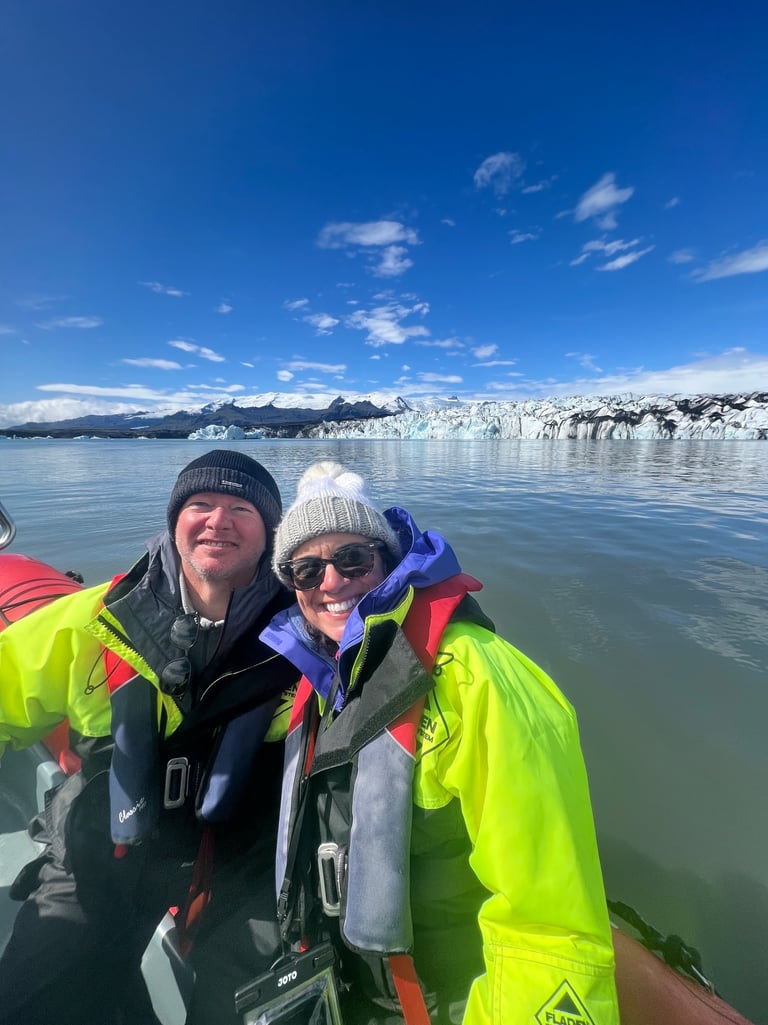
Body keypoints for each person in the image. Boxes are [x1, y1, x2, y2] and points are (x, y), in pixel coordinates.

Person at [257, 460, 620, 1024]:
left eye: (352, 559)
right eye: (307, 570)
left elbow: (547, 917)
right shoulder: (325, 676)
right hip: (352, 985)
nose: (330, 583)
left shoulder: (478, 677)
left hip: (446, 1002)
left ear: (387, 560)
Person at [0, 450, 299, 1025]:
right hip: (101, 854)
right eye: (200, 504)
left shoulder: (304, 632)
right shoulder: (96, 619)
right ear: (174, 519)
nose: (218, 520)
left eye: (241, 509)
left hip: (236, 868)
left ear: (270, 533)